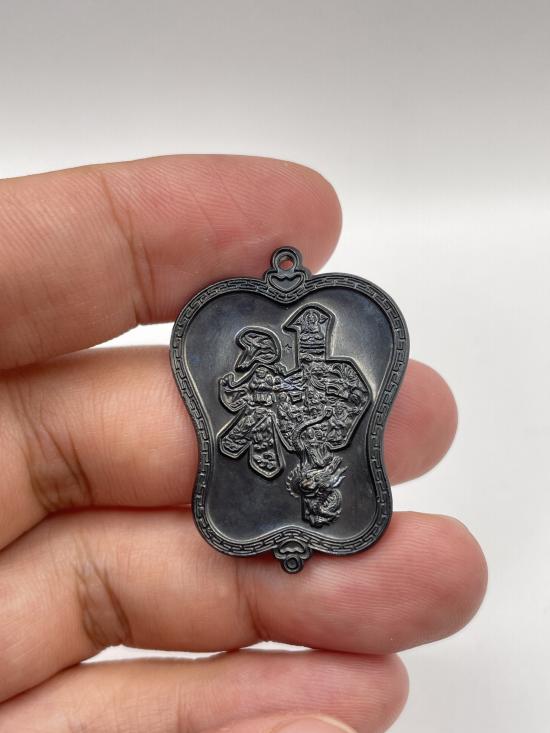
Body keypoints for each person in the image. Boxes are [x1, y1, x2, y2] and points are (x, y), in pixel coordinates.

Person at [0, 154, 487, 733]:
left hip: (313, 453)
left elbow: (357, 408)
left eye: (312, 336)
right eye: (301, 337)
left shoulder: (342, 377)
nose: (306, 344)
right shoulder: (268, 378)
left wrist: (314, 429)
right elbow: (241, 395)